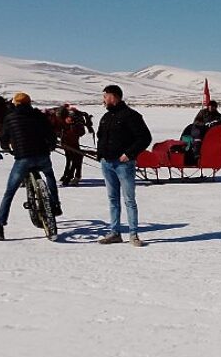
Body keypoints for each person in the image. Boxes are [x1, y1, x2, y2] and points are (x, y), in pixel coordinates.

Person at [0, 92, 62, 241]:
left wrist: (7, 148)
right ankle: (55, 205)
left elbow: (4, 139)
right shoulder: (39, 116)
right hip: (42, 156)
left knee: (9, 193)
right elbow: (51, 133)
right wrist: (51, 145)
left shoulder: (10, 118)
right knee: (49, 176)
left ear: (15, 104)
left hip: (23, 158)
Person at [96, 85, 152, 247]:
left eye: (105, 96)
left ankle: (133, 234)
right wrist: (101, 155)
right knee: (113, 199)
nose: (104, 100)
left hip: (124, 164)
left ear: (113, 96)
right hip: (107, 163)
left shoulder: (131, 116)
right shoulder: (106, 117)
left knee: (129, 199)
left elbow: (144, 138)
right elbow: (101, 137)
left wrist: (129, 154)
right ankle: (115, 232)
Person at [58, 105, 92, 186]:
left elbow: (80, 131)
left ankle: (72, 175)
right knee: (69, 155)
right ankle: (71, 174)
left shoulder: (74, 118)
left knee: (74, 154)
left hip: (72, 136)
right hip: (67, 137)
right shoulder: (61, 117)